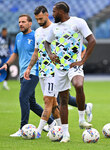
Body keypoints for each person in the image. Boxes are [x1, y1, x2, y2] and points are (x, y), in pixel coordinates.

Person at [44, 2, 96, 142]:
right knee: (64, 100)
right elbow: (46, 43)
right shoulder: (54, 27)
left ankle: (81, 119)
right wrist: (50, 54)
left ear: (61, 11)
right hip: (60, 68)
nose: (52, 14)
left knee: (78, 85)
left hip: (75, 65)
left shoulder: (78, 22)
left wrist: (82, 60)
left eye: (54, 11)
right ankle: (66, 134)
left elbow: (92, 41)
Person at [0, 14, 56, 137]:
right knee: (31, 103)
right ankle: (52, 123)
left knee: (22, 98)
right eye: (19, 22)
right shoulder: (19, 36)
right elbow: (15, 53)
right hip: (22, 73)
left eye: (23, 22)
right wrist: (7, 64)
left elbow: (39, 52)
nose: (21, 24)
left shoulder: (36, 35)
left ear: (30, 23)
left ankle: (22, 128)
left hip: (33, 72)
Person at [23, 6, 62, 138]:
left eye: (41, 18)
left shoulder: (56, 29)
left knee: (47, 101)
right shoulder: (38, 32)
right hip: (42, 72)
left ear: (47, 15)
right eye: (37, 19)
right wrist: (29, 68)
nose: (39, 21)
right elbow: (36, 52)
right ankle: (61, 129)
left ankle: (38, 131)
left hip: (54, 72)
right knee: (54, 104)